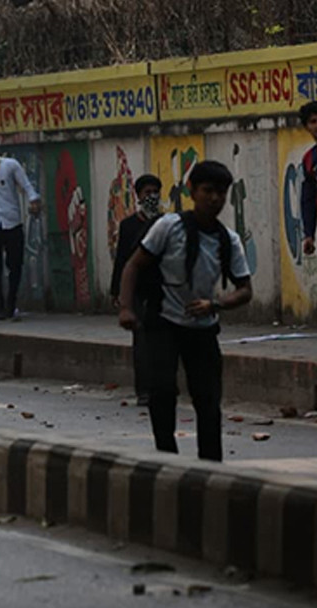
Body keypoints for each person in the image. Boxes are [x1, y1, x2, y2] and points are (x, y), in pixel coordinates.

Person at [118, 161, 253, 462]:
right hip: (164, 320)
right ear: (192, 190)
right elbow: (133, 264)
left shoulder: (227, 240)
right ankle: (166, 457)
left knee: (208, 400)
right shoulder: (169, 227)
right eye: (208, 191)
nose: (214, 199)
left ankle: (211, 464)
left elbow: (245, 290)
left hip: (203, 327)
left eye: (220, 193)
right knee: (162, 390)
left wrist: (215, 304)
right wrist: (126, 308)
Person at [0, 134, 43, 320]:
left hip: (12, 221)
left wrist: (33, 200)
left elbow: (26, 185)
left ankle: (11, 304)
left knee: (15, 265)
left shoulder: (10, 165)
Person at [110, 174, 164, 406]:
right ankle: (144, 390)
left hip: (162, 290)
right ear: (139, 196)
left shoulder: (166, 222)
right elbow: (123, 260)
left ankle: (161, 387)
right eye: (147, 193)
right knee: (141, 342)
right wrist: (119, 294)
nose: (151, 196)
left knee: (162, 342)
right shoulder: (130, 225)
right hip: (138, 290)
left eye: (155, 192)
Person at [300, 101, 317, 256]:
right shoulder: (309, 159)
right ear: (307, 127)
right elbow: (309, 199)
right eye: (313, 122)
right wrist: (309, 234)